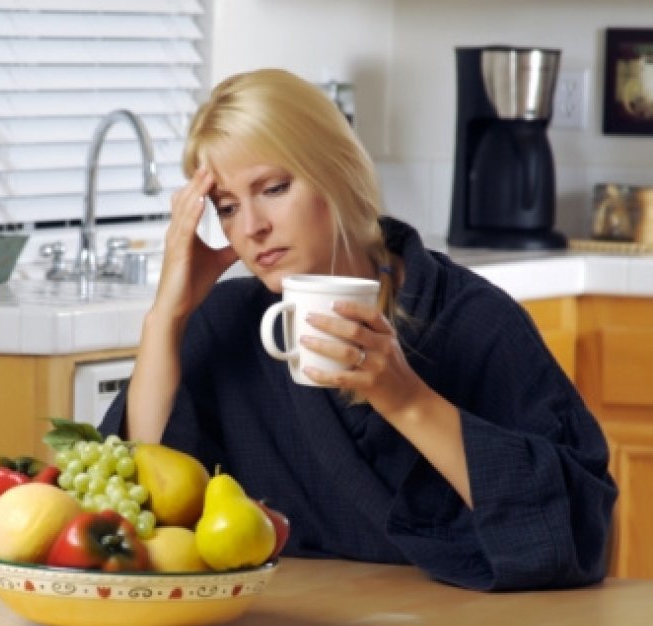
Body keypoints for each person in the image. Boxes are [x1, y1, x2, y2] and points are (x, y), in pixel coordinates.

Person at [98, 68, 617, 591]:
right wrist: (166, 318)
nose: (251, 227)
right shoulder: (227, 324)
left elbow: (579, 536)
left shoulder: (474, 320)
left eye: (273, 188)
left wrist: (406, 401)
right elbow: (136, 512)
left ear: (337, 172)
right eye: (228, 208)